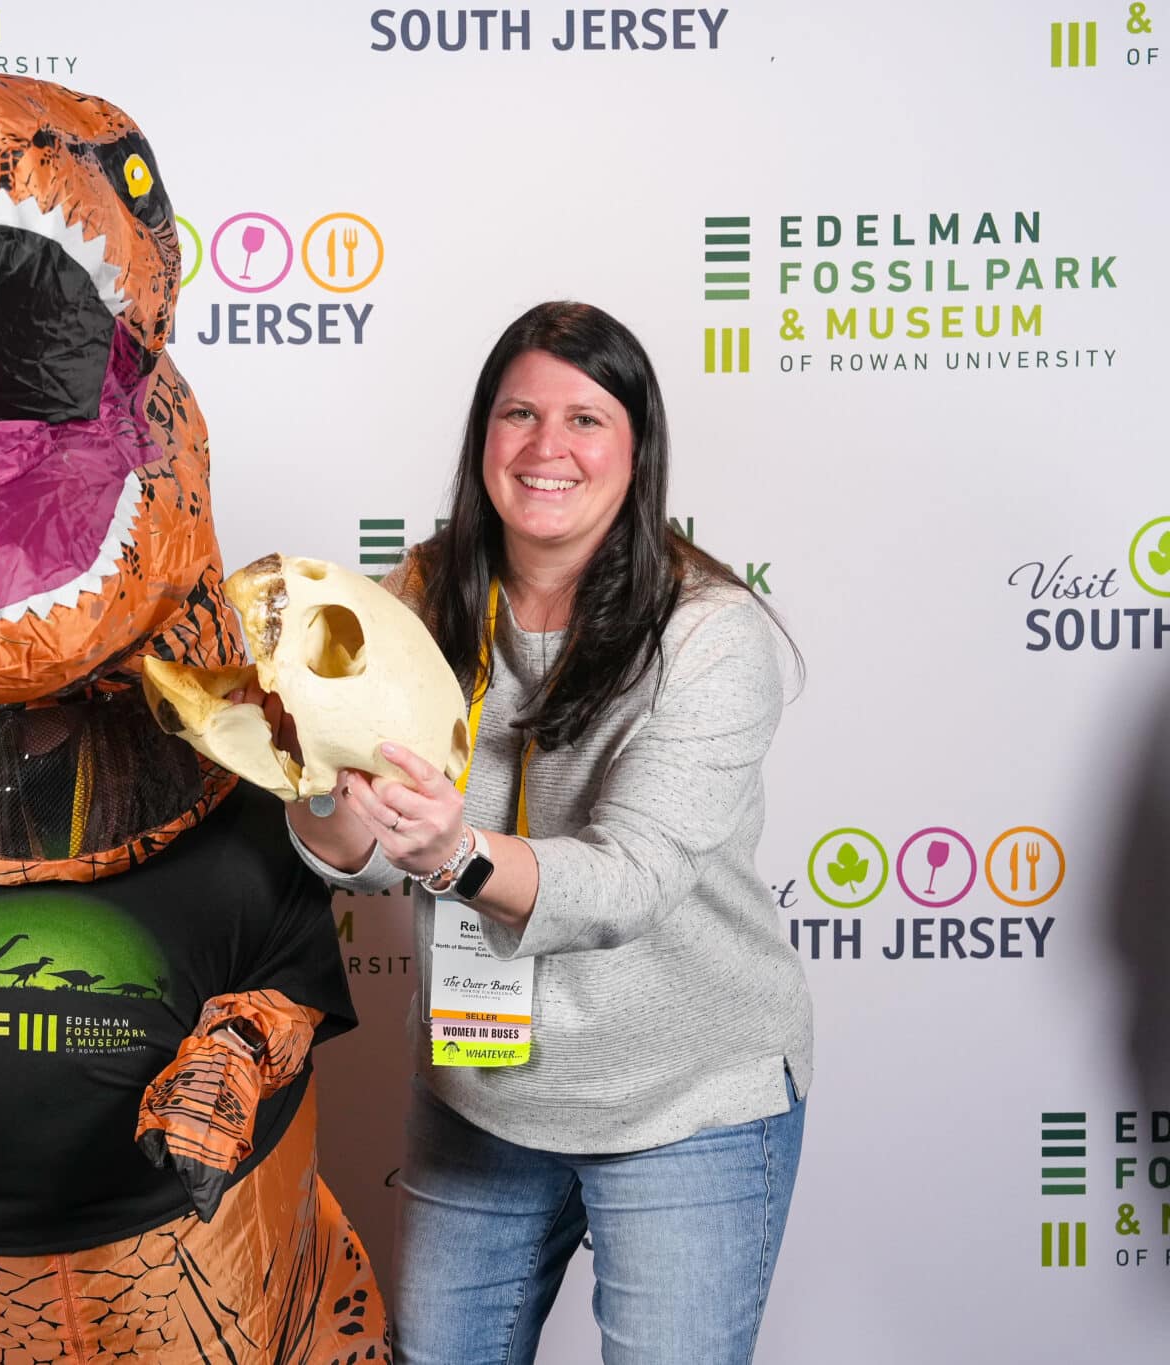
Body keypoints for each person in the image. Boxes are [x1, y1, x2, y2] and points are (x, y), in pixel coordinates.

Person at [288, 301, 811, 1365]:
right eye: (519, 414)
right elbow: (348, 857)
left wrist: (455, 854)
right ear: (482, 435)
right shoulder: (416, 596)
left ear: (637, 450)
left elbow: (631, 880)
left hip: (683, 1101)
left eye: (585, 419)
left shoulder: (709, 634)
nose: (545, 447)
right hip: (480, 1094)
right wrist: (316, 779)